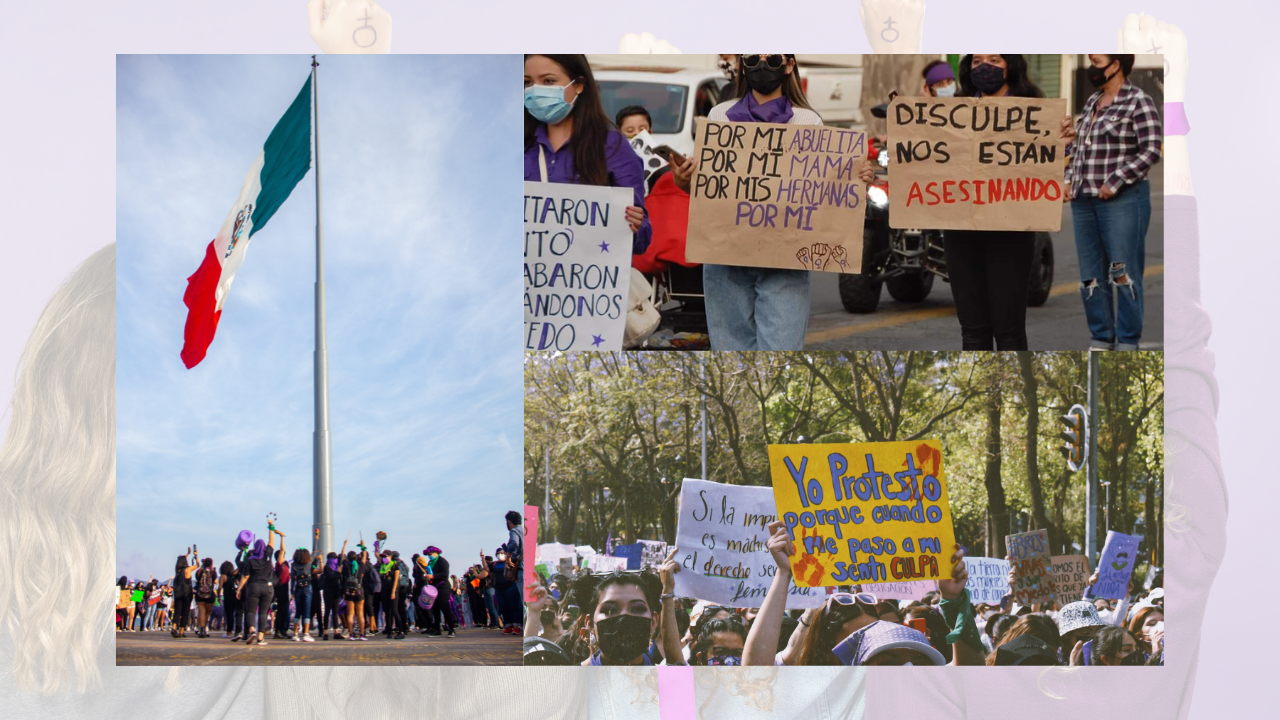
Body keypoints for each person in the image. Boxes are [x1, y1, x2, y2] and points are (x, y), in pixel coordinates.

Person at [859, 55, 1073, 350]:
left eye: (994, 59)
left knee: (1009, 330)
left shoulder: (1033, 107)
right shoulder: (953, 109)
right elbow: (922, 156)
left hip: (1010, 233)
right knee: (972, 330)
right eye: (976, 62)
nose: (984, 67)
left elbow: (1051, 158)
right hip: (960, 232)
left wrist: (1065, 138)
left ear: (1010, 64)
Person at [671, 54, 822, 351]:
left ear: (789, 64)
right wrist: (683, 180)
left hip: (784, 255)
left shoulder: (808, 120)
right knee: (729, 351)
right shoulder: (719, 115)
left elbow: (820, 189)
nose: (762, 65)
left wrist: (855, 176)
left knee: (781, 351)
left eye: (773, 58)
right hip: (726, 254)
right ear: (742, 64)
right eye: (753, 57)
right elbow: (710, 187)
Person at [1063, 54, 1162, 350]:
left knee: (1124, 273)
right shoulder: (1093, 102)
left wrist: (1116, 180)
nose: (1091, 67)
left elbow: (1151, 149)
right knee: (1091, 276)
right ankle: (1101, 338)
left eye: (1097, 60)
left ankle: (1128, 342)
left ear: (1116, 64)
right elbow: (1081, 150)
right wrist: (1069, 178)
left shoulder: (1138, 101)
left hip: (1122, 199)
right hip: (1084, 200)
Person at [524, 54, 650, 255]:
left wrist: (635, 225)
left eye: (548, 81)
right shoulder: (515, 144)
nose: (535, 90)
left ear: (579, 85)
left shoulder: (612, 146)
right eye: (527, 82)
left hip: (588, 279)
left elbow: (642, 237)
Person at [569, 570, 662, 666]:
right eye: (610, 610)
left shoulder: (670, 679)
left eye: (637, 609)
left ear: (654, 621)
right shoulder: (570, 680)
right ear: (590, 623)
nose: (624, 617)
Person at [234, 527, 282, 646]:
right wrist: (271, 527)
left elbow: (245, 577)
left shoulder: (250, 560)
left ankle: (251, 630)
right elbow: (271, 540)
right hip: (267, 588)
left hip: (253, 587)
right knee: (263, 613)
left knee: (250, 611)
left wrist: (239, 589)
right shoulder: (267, 556)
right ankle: (261, 638)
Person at [289, 548, 318, 642]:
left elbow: (292, 580)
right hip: (307, 588)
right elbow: (315, 551)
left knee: (298, 612)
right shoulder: (308, 563)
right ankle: (306, 634)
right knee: (307, 612)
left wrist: (292, 592)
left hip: (297, 588)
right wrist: (316, 538)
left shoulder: (293, 565)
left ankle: (295, 634)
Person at [340, 549, 368, 640]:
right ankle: (362, 634)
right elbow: (364, 557)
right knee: (360, 614)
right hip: (359, 590)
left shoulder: (346, 565)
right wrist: (363, 547)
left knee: (350, 614)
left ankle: (351, 634)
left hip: (348, 591)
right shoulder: (360, 565)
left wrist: (344, 545)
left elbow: (342, 555)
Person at [171, 549, 198, 638]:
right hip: (187, 594)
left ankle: (174, 628)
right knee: (185, 613)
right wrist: (196, 555)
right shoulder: (188, 569)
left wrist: (187, 554)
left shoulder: (177, 571)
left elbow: (180, 561)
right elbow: (197, 565)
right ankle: (182, 631)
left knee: (177, 612)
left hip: (178, 594)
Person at [193, 557, 218, 638]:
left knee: (202, 611)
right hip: (210, 595)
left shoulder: (199, 571)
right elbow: (215, 581)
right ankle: (205, 628)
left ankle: (202, 630)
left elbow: (197, 579)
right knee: (207, 613)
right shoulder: (213, 572)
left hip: (200, 594)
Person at [218, 560, 240, 640]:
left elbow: (219, 587)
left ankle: (229, 632)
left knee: (229, 615)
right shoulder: (234, 577)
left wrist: (218, 596)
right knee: (236, 614)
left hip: (227, 597)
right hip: (235, 596)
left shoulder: (223, 576)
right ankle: (237, 631)